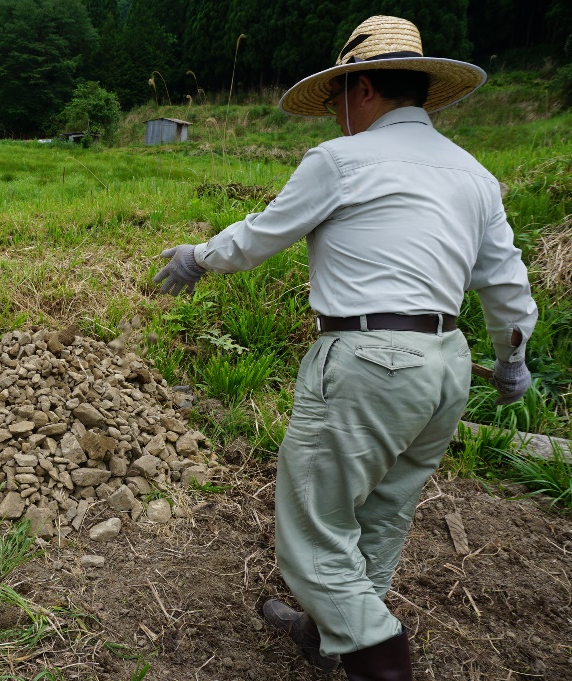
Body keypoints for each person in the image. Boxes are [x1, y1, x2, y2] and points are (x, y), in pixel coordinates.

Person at [152, 15, 537, 681]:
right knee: (384, 509)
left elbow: (263, 232)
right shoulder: (475, 175)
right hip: (444, 366)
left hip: (367, 361)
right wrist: (513, 357)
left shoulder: (339, 162)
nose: (332, 117)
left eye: (334, 102)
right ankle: (329, 633)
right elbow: (505, 282)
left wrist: (197, 257)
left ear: (361, 89)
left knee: (311, 532)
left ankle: (379, 657)